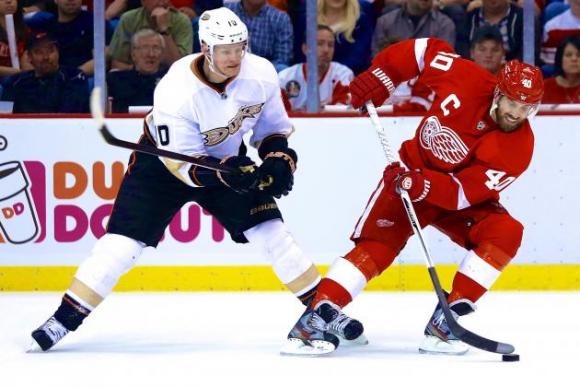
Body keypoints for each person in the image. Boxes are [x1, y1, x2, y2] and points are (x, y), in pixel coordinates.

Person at [29, 7, 363, 352]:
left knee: (273, 233)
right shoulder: (177, 89)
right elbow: (183, 167)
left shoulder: (260, 74)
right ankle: (62, 321)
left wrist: (278, 160)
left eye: (239, 47)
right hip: (161, 166)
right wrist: (230, 174)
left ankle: (321, 311)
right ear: (206, 49)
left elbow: (272, 131)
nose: (235, 57)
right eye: (226, 50)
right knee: (121, 247)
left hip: (226, 162)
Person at [285, 37, 544, 355]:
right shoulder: (467, 77)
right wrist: (386, 75)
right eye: (513, 103)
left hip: (453, 198)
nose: (517, 114)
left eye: (526, 107)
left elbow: (462, 193)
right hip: (407, 175)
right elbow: (424, 51)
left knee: (506, 233)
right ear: (498, 93)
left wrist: (422, 185)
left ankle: (446, 322)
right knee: (377, 247)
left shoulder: (519, 147)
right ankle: (313, 320)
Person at [0, 30, 89, 113]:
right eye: (39, 52)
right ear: (29, 57)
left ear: (58, 52)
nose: (46, 57)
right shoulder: (14, 82)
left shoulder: (74, 77)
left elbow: (69, 116)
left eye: (50, 50)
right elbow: (5, 116)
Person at [278, 24, 353, 111]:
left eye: (331, 45)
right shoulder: (285, 77)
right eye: (319, 44)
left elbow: (343, 115)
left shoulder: (343, 74)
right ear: (305, 48)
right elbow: (279, 116)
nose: (326, 50)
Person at [109, 0, 193, 70]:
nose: (161, 2)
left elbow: (180, 67)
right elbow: (117, 64)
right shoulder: (129, 19)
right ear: (143, 1)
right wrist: (144, 71)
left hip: (168, 79)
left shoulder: (182, 21)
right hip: (133, 77)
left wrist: (164, 29)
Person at [107, 29, 168, 112]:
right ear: (133, 54)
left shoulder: (171, 80)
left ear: (162, 54)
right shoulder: (115, 79)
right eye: (145, 48)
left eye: (156, 48)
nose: (151, 54)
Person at [225, 0, 293, 72]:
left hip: (264, 73)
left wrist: (258, 72)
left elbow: (282, 59)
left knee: (282, 68)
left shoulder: (280, 18)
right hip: (228, 68)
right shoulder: (225, 11)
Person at [371, 0, 456, 57]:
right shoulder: (385, 22)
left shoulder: (444, 25)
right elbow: (377, 56)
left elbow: (445, 59)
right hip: (392, 79)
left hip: (428, 80)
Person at [543, 36, 580, 104]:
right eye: (568, 55)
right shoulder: (544, 87)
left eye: (579, 55)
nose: (574, 59)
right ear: (560, 59)